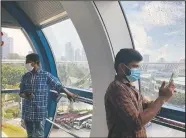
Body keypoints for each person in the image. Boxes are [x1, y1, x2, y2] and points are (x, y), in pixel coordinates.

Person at [104, 49, 175, 138]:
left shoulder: (130, 87)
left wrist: (163, 97)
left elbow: (145, 105)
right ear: (122, 67)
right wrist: (161, 99)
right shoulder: (117, 89)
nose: (137, 70)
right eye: (134, 66)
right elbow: (136, 122)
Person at [19, 53, 77, 138]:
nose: (26, 64)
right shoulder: (25, 76)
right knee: (30, 134)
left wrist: (68, 93)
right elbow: (21, 93)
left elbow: (57, 85)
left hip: (39, 111)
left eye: (28, 61)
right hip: (28, 112)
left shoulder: (45, 75)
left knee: (39, 135)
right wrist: (26, 95)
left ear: (35, 62)